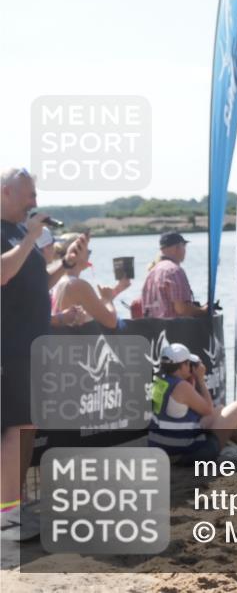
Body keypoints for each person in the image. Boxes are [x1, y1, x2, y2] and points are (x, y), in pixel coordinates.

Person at [0, 168, 85, 541]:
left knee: (25, 429)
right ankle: (7, 520)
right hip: (10, 347)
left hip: (31, 346)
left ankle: (12, 508)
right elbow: (3, 274)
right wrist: (33, 236)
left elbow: (34, 281)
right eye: (29, 194)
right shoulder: (14, 233)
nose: (35, 202)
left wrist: (64, 265)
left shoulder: (20, 232)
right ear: (5, 192)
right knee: (14, 431)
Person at [149, 343, 237, 464]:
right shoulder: (181, 386)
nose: (190, 366)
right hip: (185, 454)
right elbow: (207, 409)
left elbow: (180, 411)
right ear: (182, 366)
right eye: (188, 363)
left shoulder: (159, 380)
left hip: (162, 448)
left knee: (220, 410)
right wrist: (200, 379)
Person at [50, 233, 130, 328]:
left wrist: (118, 289)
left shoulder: (55, 280)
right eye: (88, 252)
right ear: (76, 252)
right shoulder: (77, 285)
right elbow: (111, 322)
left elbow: (92, 308)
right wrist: (107, 299)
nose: (89, 255)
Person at [141, 232, 208, 319]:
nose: (185, 250)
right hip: (174, 330)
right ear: (177, 247)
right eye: (184, 246)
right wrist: (203, 310)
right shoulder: (174, 271)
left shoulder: (151, 272)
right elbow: (182, 309)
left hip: (154, 330)